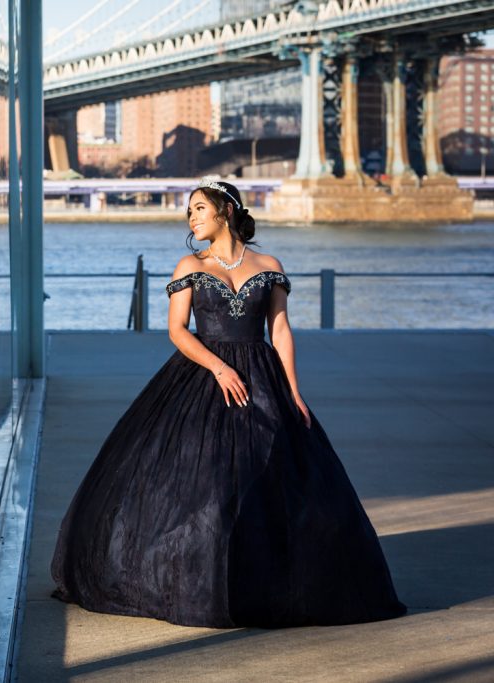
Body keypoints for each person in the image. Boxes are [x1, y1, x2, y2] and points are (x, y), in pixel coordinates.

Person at [49, 179, 406, 628]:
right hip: (203, 375)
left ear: (226, 211)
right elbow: (178, 331)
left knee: (277, 482)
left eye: (199, 208)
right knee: (205, 485)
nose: (191, 217)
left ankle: (267, 582)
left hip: (262, 378)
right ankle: (202, 579)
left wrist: (293, 391)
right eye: (189, 212)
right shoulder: (189, 265)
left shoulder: (268, 265)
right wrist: (218, 368)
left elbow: (279, 331)